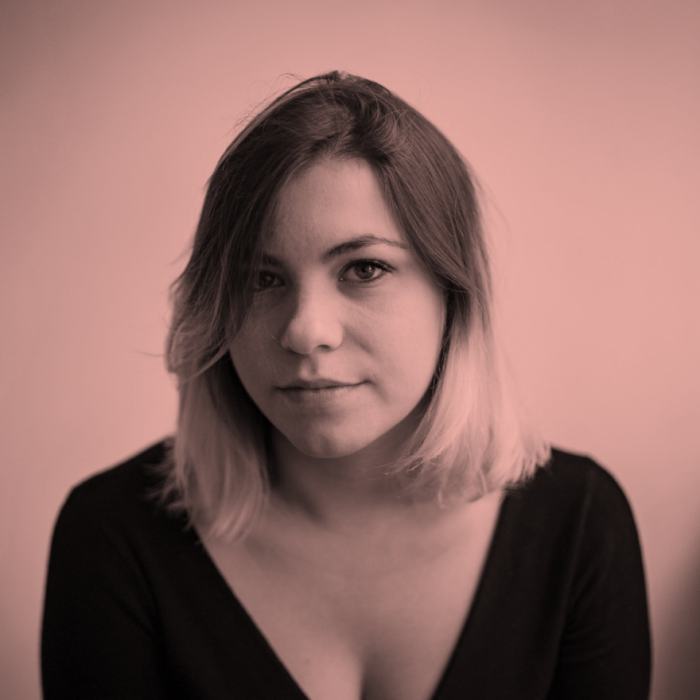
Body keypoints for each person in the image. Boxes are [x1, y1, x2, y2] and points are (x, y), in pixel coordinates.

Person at [41, 71, 651, 699]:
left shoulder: (579, 524)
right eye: (260, 279)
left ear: (453, 295)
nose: (305, 331)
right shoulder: (112, 535)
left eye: (364, 269)